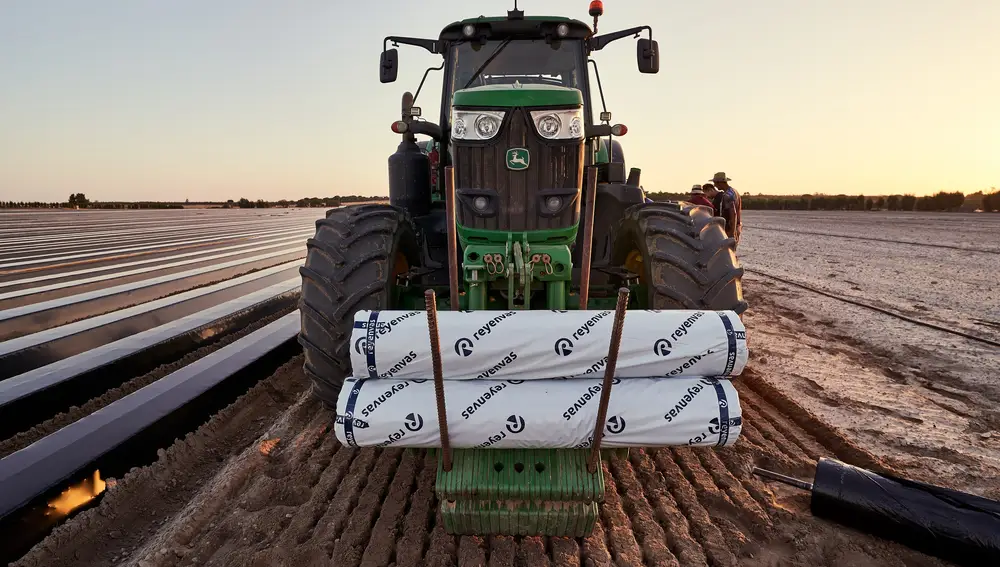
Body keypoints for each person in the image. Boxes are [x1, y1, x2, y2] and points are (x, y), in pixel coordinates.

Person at [707, 172, 742, 247]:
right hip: (737, 227)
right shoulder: (735, 192)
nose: (714, 185)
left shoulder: (727, 195)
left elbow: (733, 214)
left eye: (715, 183)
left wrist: (732, 233)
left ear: (719, 182)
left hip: (730, 229)